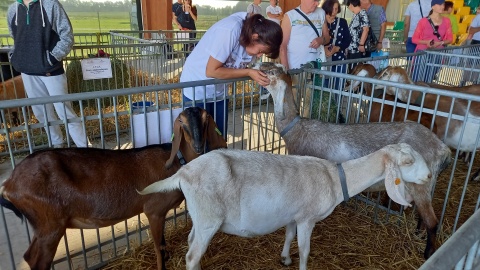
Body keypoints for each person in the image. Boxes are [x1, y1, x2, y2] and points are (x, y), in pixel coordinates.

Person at [180, 13, 282, 136]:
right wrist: (249, 72)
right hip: (197, 87)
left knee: (218, 136)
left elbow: (240, 65)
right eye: (260, 51)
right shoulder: (230, 30)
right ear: (254, 37)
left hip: (219, 90)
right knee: (198, 141)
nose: (259, 55)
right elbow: (211, 71)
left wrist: (257, 74)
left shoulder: (253, 37)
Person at [7, 0, 90, 148]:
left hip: (51, 71)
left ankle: (86, 149)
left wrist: (51, 58)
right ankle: (57, 145)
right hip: (28, 72)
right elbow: (16, 38)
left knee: (65, 111)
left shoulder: (51, 5)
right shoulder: (13, 10)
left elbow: (67, 35)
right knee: (42, 113)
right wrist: (16, 56)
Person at [280, 0, 330, 70]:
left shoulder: (321, 13)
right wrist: (286, 72)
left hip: (316, 67)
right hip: (295, 67)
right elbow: (282, 46)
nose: (317, 3)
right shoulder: (290, 16)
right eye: (314, 1)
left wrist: (321, 40)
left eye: (318, 1)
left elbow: (327, 38)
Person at [412, 0, 453, 81]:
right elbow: (414, 39)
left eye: (443, 4)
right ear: (433, 6)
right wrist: (426, 42)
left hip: (437, 53)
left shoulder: (447, 21)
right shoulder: (423, 21)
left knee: (429, 79)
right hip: (422, 52)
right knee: (417, 77)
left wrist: (440, 43)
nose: (442, 6)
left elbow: (450, 39)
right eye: (439, 4)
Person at [322, 0, 351, 89]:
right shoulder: (320, 21)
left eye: (336, 9)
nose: (335, 11)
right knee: (323, 87)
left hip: (339, 60)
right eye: (333, 9)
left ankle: (337, 102)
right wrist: (324, 49)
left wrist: (337, 48)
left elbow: (347, 40)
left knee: (338, 87)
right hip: (323, 60)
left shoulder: (342, 22)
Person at [346, 0, 370, 65]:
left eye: (347, 6)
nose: (349, 8)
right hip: (352, 48)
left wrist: (361, 44)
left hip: (358, 49)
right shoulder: (355, 15)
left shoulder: (362, 13)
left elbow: (366, 29)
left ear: (351, 4)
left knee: (356, 69)